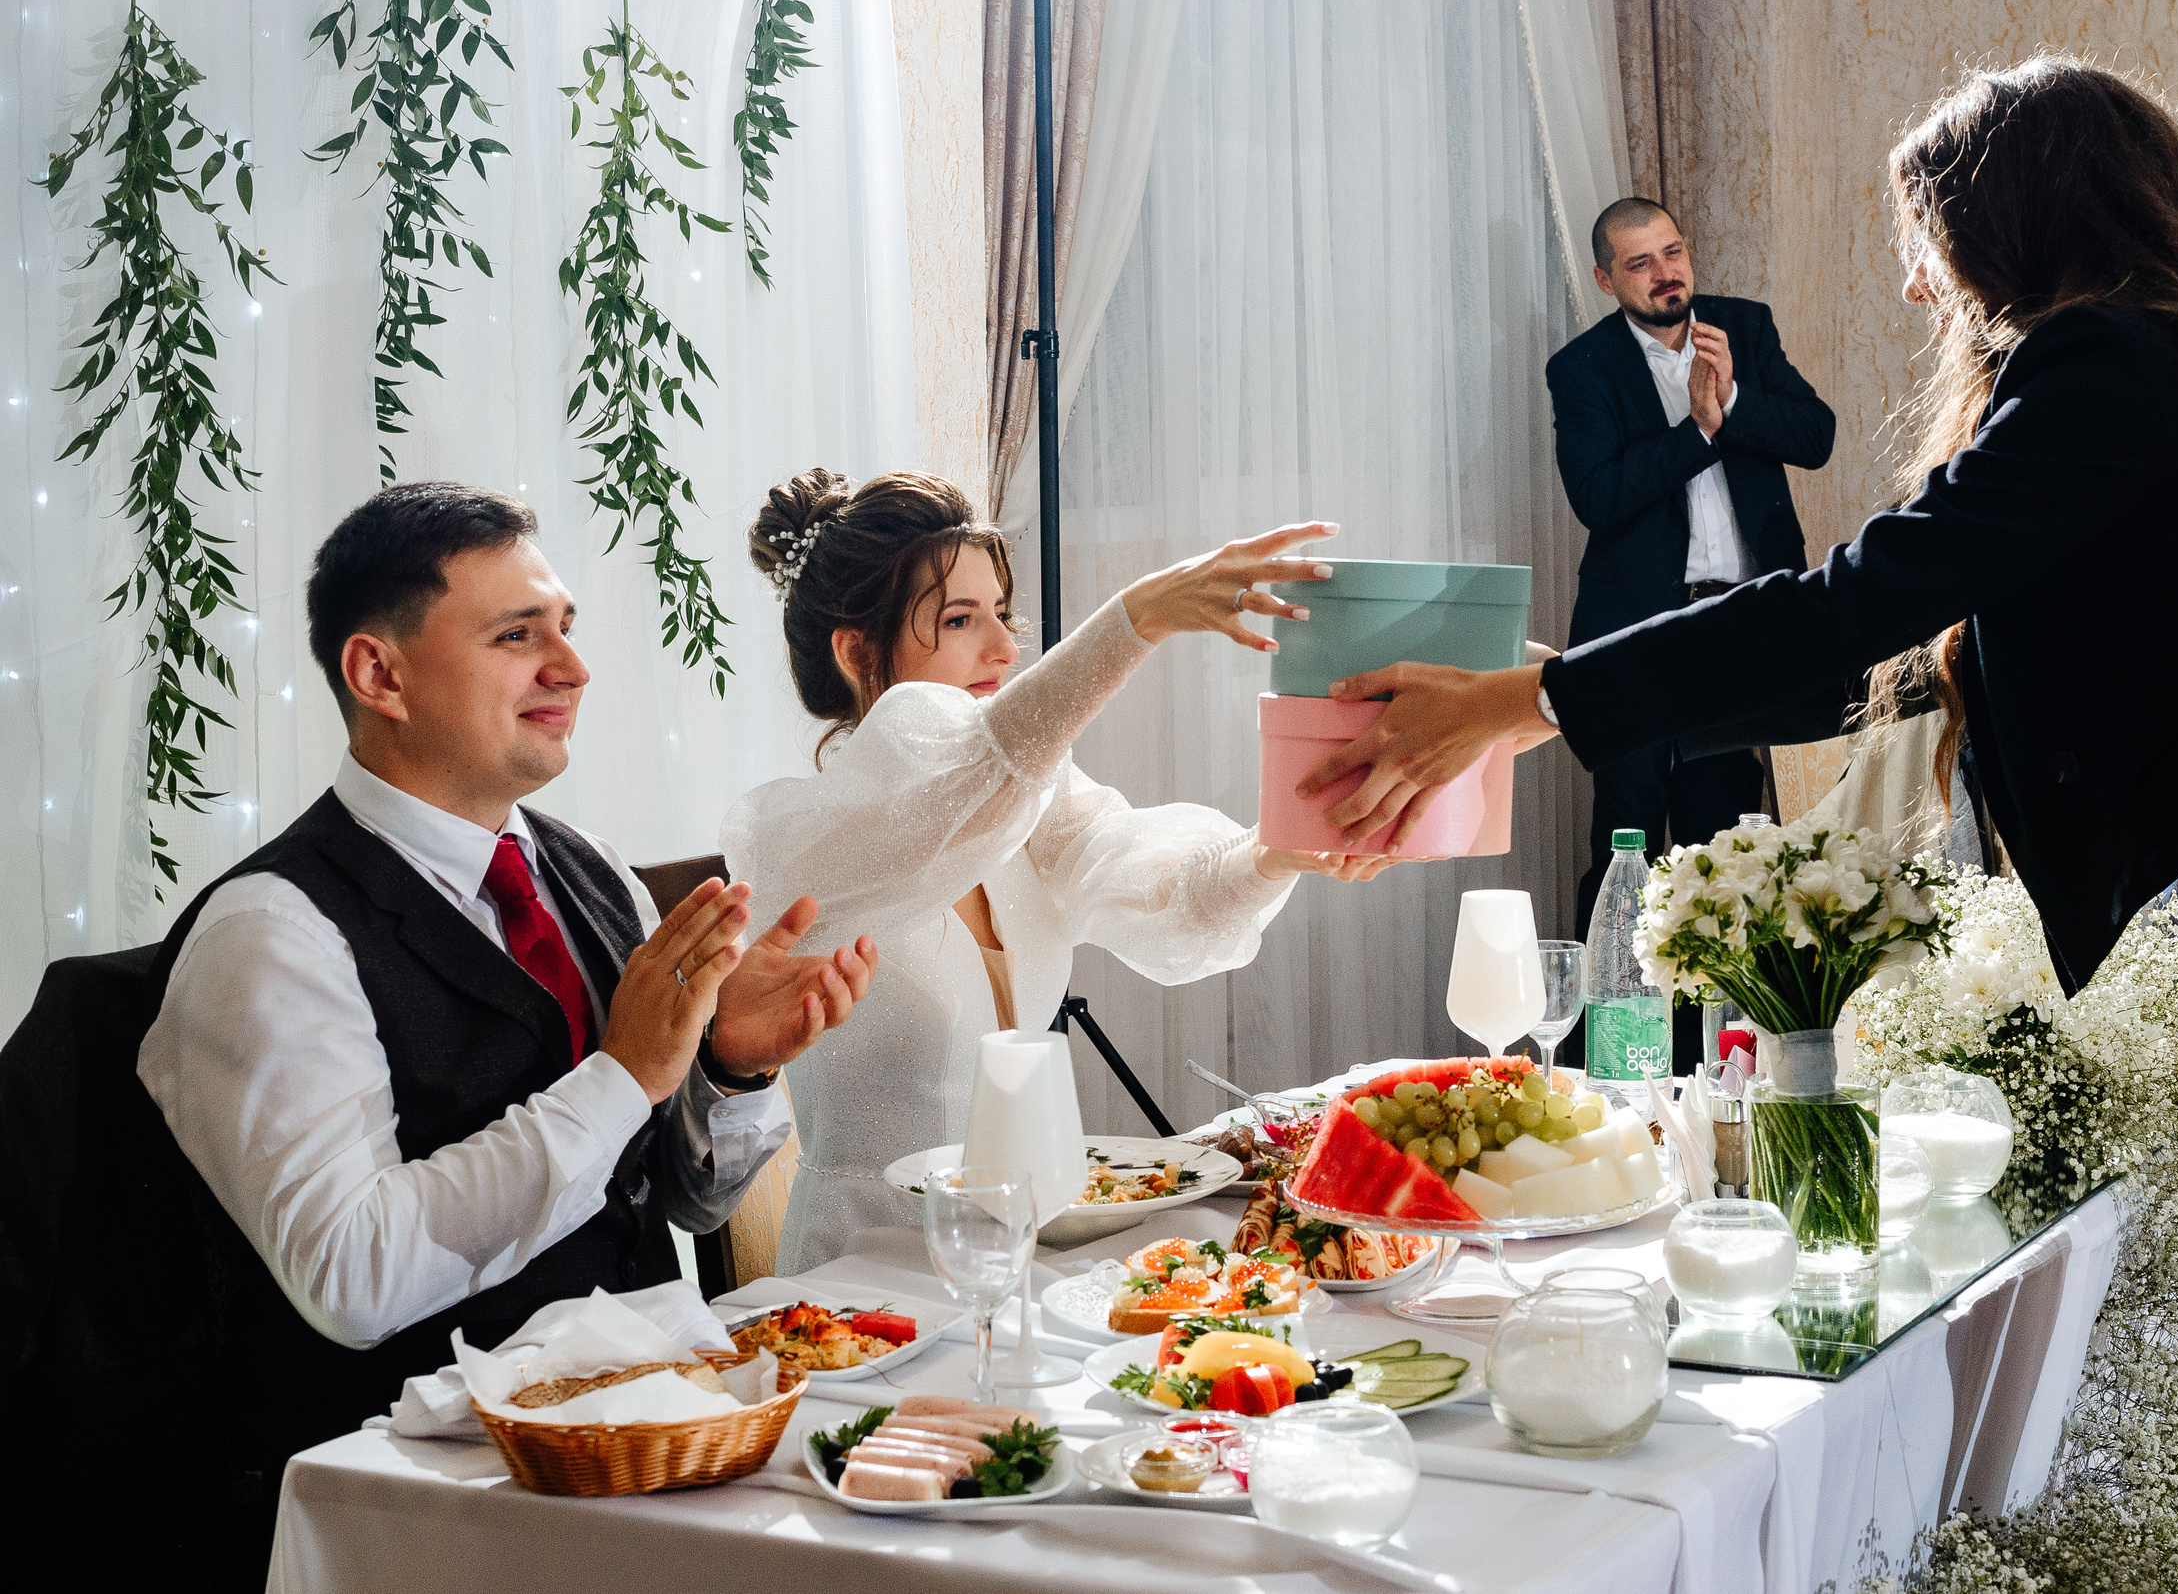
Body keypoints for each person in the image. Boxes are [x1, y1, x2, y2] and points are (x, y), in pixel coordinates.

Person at [1295, 58, 2178, 1589]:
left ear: (2017, 223)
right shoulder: (2169, 367)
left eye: (1929, 240)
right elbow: (1872, 659)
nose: (1914, 283)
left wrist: (1533, 697)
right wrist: (1571, 700)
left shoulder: (2112, 365)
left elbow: (1851, 600)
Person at [134, 483, 878, 1572]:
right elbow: (351, 1277)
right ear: (379, 674)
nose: (571, 668)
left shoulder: (592, 872)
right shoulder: (270, 934)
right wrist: (624, 1073)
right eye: (517, 635)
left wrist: (728, 1067)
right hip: (429, 1511)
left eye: (564, 628)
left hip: (651, 1450)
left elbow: (680, 1201)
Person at [722, 471, 1400, 1269]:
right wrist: (1139, 616)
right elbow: (971, 771)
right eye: (960, 619)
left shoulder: (1021, 801)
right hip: (862, 1279)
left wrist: (1276, 850)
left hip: (1014, 1259)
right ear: (856, 651)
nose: (1005, 648)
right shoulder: (805, 842)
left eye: (1001, 613)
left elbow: (1169, 897)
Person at [1549, 197, 1835, 959]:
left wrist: (1734, 400)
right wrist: (1700, 431)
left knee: (1726, 851)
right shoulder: (1581, 367)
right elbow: (1597, 495)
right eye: (1640, 262)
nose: (1665, 272)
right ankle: (1609, 1023)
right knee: (1627, 847)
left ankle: (1716, 1027)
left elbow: (1817, 435)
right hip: (1633, 636)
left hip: (1740, 629)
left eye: (1672, 252)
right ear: (1607, 279)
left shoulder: (1745, 327)